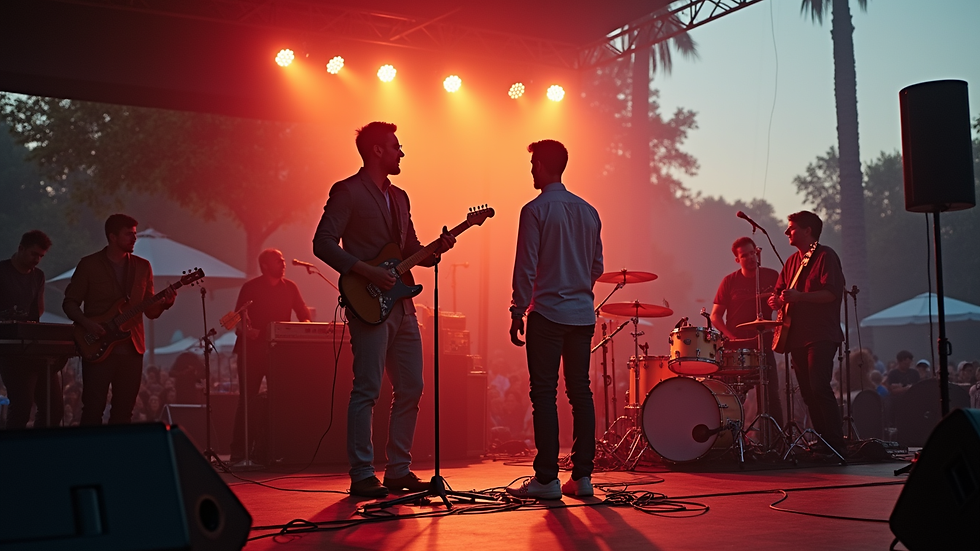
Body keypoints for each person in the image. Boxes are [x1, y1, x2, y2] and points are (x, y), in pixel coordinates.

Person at [313, 121, 456, 498]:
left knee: (412, 386)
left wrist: (435, 250)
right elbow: (322, 243)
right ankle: (362, 473)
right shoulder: (347, 191)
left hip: (403, 306)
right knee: (368, 389)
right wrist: (366, 270)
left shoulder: (401, 196)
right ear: (376, 150)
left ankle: (397, 470)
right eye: (396, 146)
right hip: (368, 304)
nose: (401, 153)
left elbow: (410, 249)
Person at [507, 139, 603, 500]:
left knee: (544, 395)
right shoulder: (589, 211)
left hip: (546, 314)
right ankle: (582, 478)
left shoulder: (534, 210)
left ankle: (546, 479)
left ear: (544, 165)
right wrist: (578, 289)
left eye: (533, 164)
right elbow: (597, 266)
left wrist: (518, 309)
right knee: (581, 393)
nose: (531, 170)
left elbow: (526, 266)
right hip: (582, 315)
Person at [63, 214, 176, 425]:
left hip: (132, 349)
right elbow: (69, 303)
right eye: (128, 234)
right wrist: (88, 324)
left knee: (124, 411)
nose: (134, 239)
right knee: (93, 409)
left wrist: (165, 303)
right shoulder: (89, 265)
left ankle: (118, 456)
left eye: (134, 234)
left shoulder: (143, 267)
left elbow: (150, 311)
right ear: (112, 236)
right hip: (97, 347)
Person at [768, 211, 846, 456]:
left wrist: (800, 297)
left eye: (791, 228)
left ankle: (835, 442)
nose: (786, 232)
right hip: (796, 336)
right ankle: (824, 442)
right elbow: (780, 292)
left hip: (821, 334)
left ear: (807, 230)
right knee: (808, 392)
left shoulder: (826, 256)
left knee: (819, 386)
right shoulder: (791, 262)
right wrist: (776, 301)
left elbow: (832, 293)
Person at [229, 248, 311, 463]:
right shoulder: (250, 287)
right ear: (265, 266)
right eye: (278, 261)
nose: (283, 263)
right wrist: (247, 329)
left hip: (280, 354)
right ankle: (240, 451)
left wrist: (307, 329)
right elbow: (237, 318)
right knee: (247, 400)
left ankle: (276, 449)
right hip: (251, 352)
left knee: (281, 400)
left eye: (283, 260)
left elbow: (304, 315)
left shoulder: (291, 287)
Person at [710, 236, 783, 426]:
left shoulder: (772, 276)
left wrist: (779, 304)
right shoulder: (729, 281)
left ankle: (775, 444)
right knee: (732, 397)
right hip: (736, 347)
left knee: (770, 397)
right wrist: (731, 337)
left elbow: (784, 306)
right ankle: (732, 441)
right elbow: (715, 316)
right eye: (745, 255)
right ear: (737, 259)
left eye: (753, 253)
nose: (750, 257)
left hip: (764, 344)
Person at [0, 230, 63, 428]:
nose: (37, 260)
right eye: (34, 254)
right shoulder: (2, 271)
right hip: (10, 350)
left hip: (34, 349)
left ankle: (40, 449)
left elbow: (39, 308)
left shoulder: (39, 276)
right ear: (20, 248)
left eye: (41, 256)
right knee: (21, 407)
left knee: (54, 409)